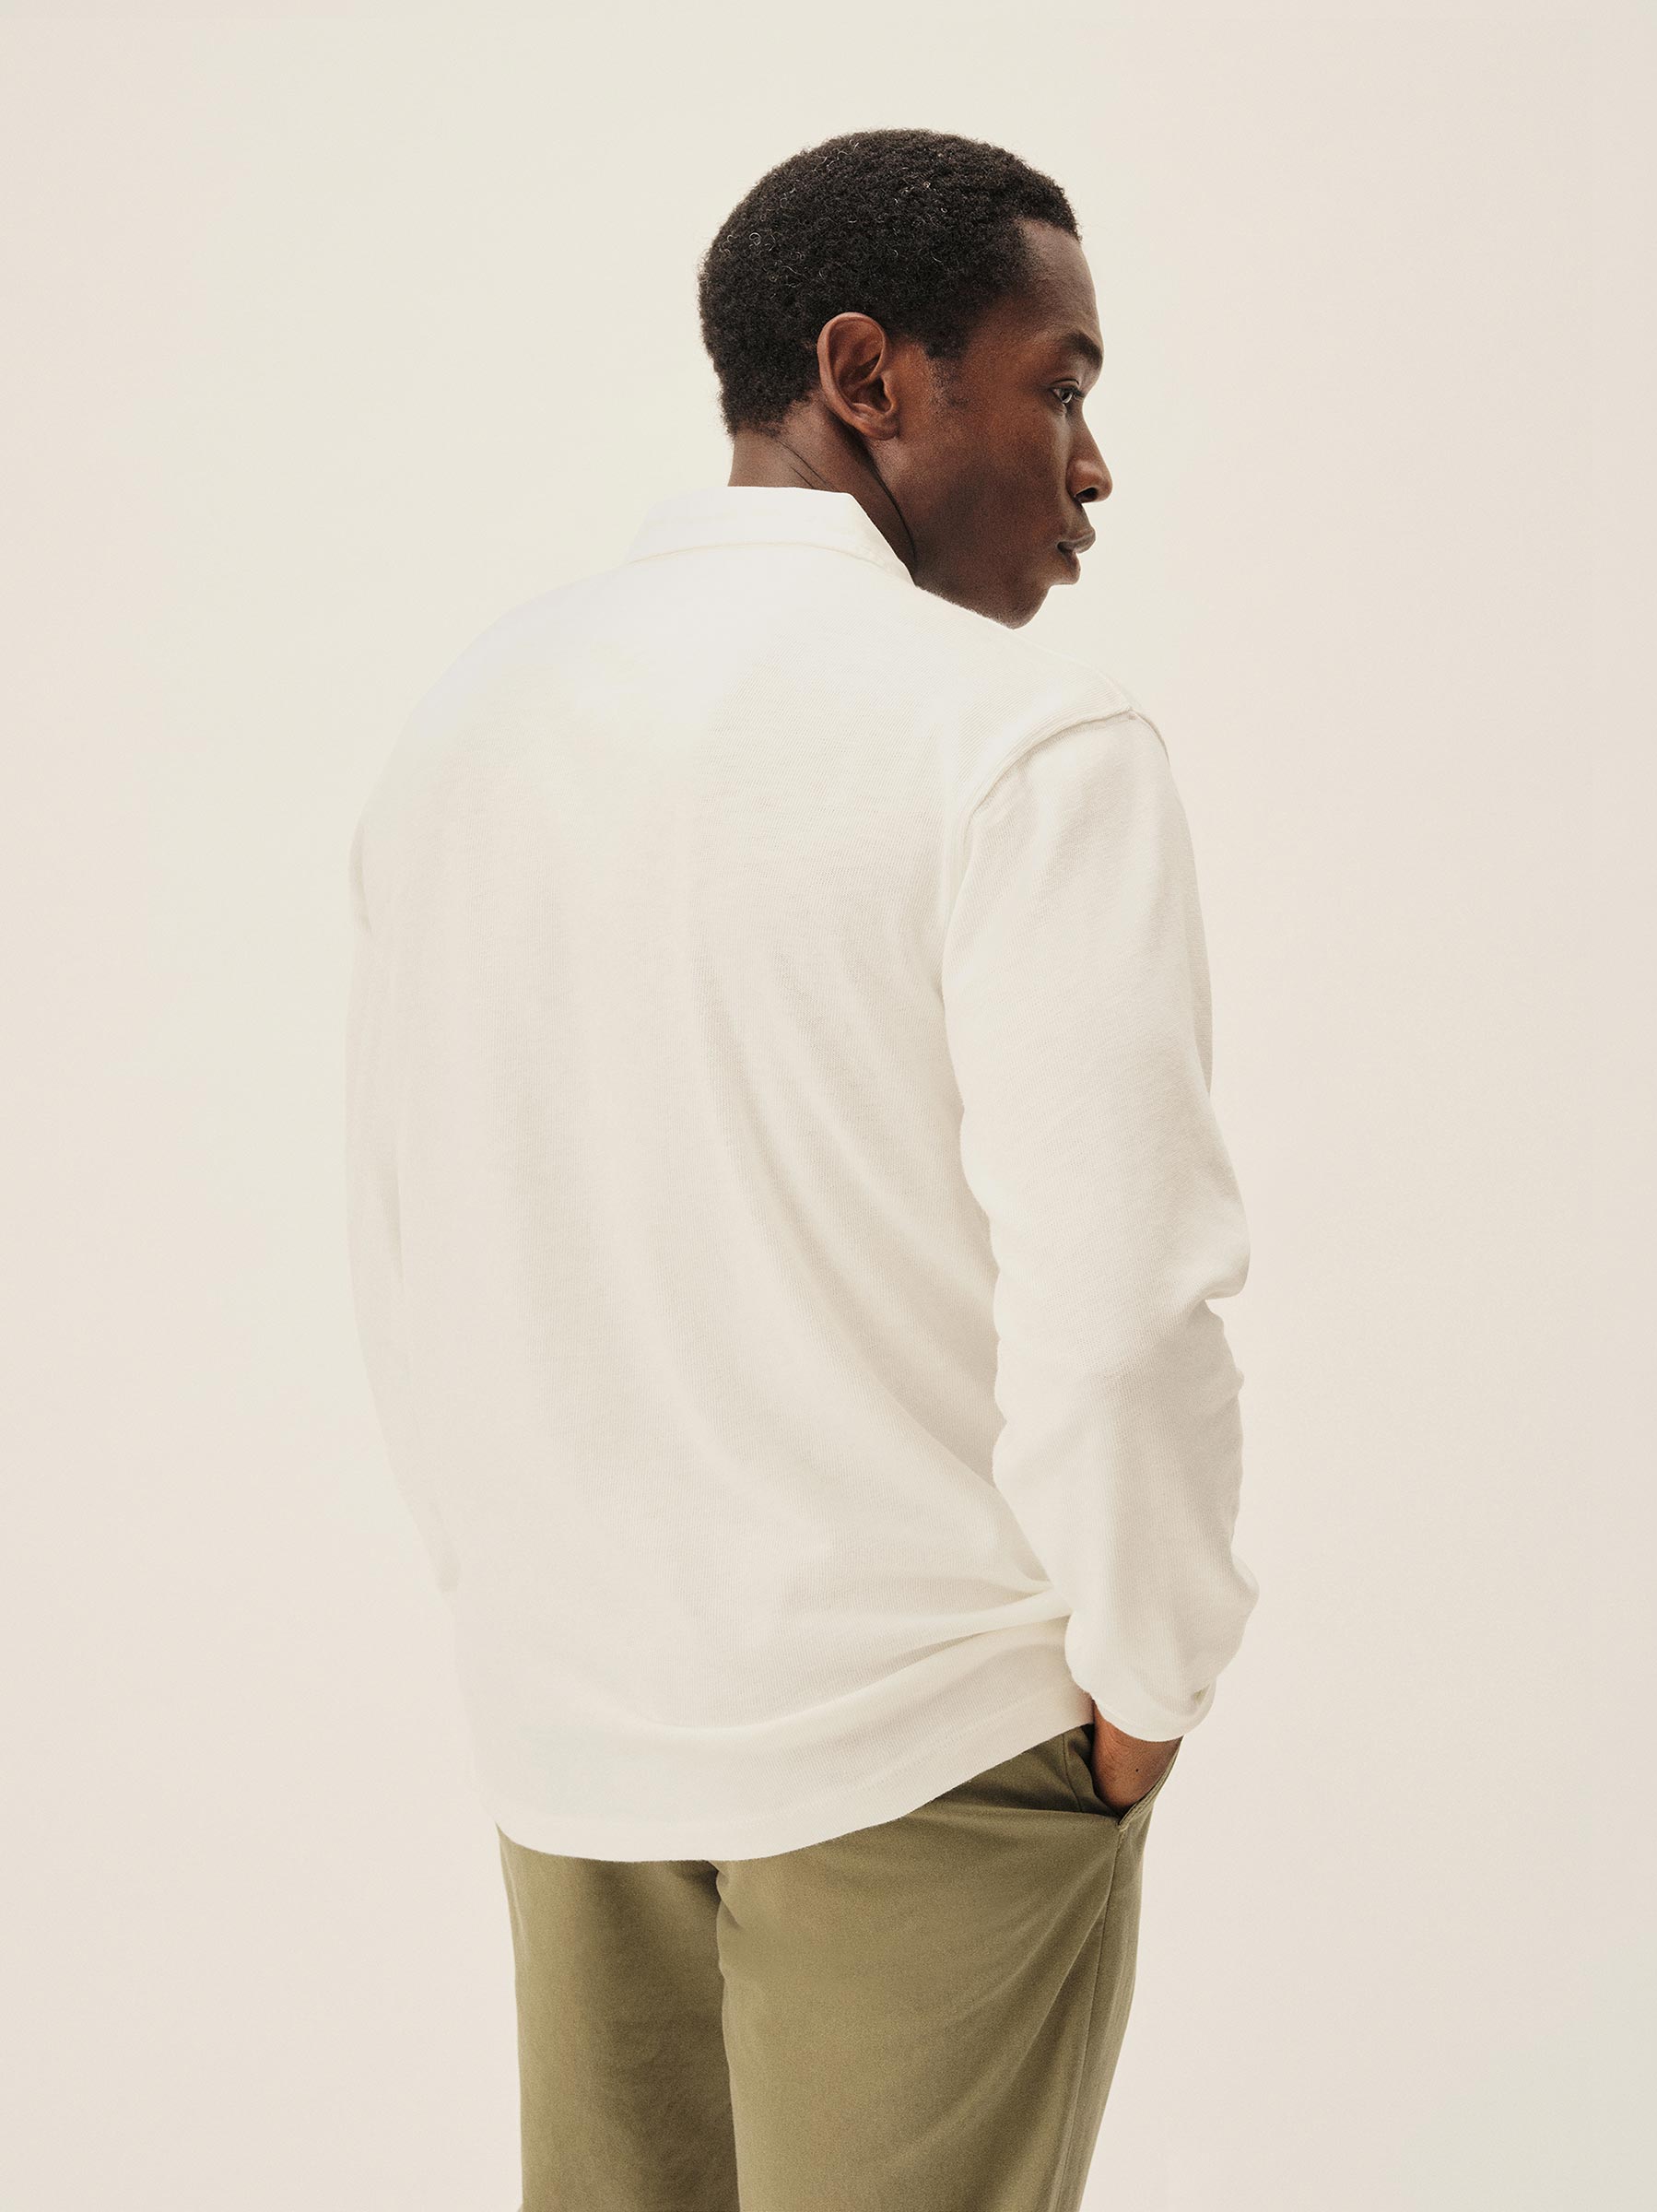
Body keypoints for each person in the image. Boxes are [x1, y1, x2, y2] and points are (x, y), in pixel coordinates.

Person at [345, 124, 1258, 2212]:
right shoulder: (1020, 742)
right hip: (932, 1746)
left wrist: (521, 1621)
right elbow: (1125, 1307)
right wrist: (1146, 1689)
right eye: (1060, 384)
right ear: (867, 375)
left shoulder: (471, 725)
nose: (1095, 466)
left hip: (577, 1739)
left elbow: (402, 1238)